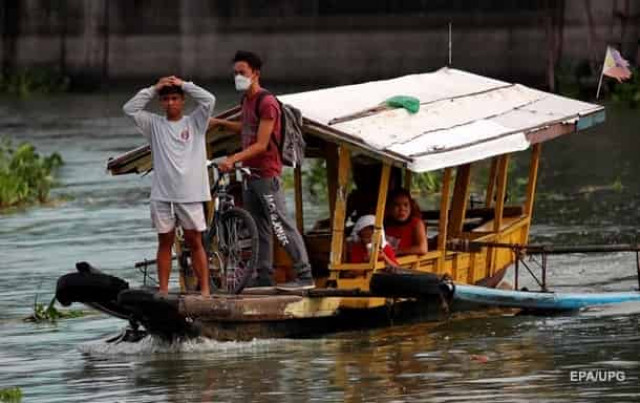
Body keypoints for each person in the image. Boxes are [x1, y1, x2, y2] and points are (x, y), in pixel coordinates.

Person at [208, 50, 314, 291]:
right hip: (249, 176)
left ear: (255, 73)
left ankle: (305, 275)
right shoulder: (246, 100)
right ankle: (264, 275)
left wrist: (233, 158)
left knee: (280, 225)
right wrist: (220, 124)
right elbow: (246, 129)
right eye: (235, 73)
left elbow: (261, 144)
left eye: (242, 73)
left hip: (266, 174)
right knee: (259, 227)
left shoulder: (267, 103)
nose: (238, 77)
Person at [123, 75, 215, 297]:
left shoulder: (195, 122)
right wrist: (154, 89)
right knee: (165, 240)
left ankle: (204, 289)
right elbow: (130, 108)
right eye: (166, 99)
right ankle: (163, 290)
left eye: (175, 98)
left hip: (191, 193)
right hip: (162, 194)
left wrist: (184, 84)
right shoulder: (154, 124)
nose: (171, 103)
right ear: (161, 103)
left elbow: (209, 100)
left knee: (195, 241)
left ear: (182, 100)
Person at [384, 188, 428, 256]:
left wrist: (395, 251)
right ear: (390, 208)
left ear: (411, 206)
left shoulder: (416, 223)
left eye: (406, 205)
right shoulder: (386, 223)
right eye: (397, 205)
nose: (402, 209)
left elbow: (422, 248)